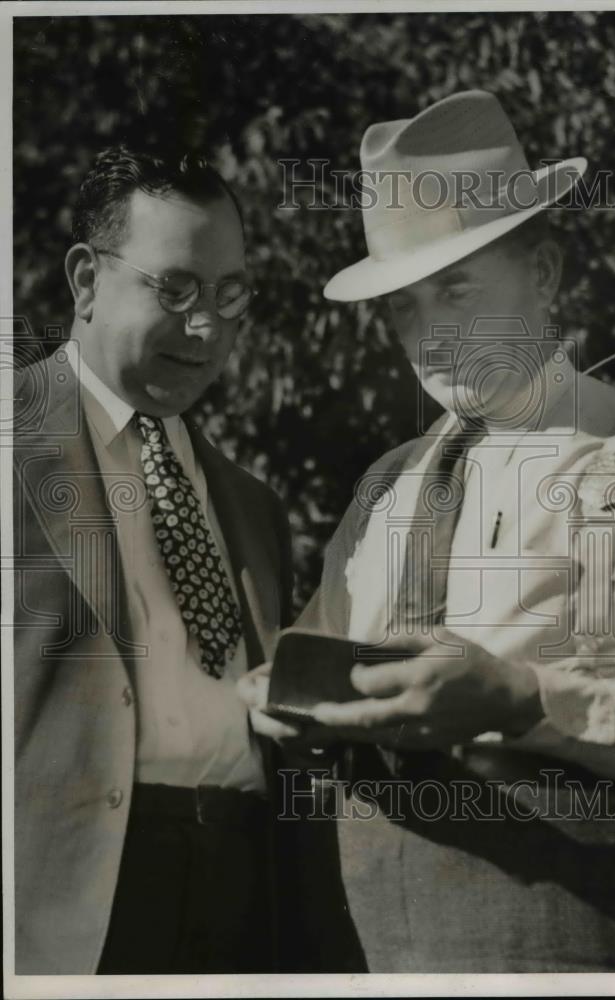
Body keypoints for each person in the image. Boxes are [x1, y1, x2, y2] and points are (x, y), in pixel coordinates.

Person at [240, 90, 615, 972]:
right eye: (402, 307)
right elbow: (319, 663)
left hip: (583, 932)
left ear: (545, 274)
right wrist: (279, 700)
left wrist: (525, 701)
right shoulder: (385, 488)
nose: (429, 336)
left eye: (456, 290)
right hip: (369, 933)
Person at [12, 146, 295, 974]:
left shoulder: (251, 503)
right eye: (173, 288)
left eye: (228, 293)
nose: (206, 326)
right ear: (86, 280)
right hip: (65, 910)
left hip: (243, 901)